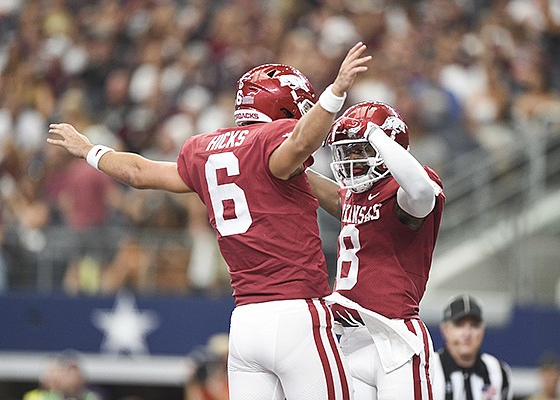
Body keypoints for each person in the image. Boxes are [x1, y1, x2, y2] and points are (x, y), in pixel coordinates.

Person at [47, 42, 372, 400]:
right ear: (280, 107)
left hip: (246, 323)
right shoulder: (273, 142)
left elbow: (140, 173)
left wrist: (91, 150)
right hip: (298, 310)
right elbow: (299, 142)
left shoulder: (206, 150)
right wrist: (336, 90)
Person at [306, 101, 445, 399]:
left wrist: (374, 134)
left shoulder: (407, 189)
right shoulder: (356, 196)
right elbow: (328, 191)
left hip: (393, 336)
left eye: (360, 150)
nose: (351, 160)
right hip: (348, 336)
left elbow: (421, 192)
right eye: (347, 151)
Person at [432, 294, 512, 400]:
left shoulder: (499, 371)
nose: (467, 333)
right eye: (459, 325)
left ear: (483, 330)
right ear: (444, 330)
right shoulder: (428, 369)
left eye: (474, 325)